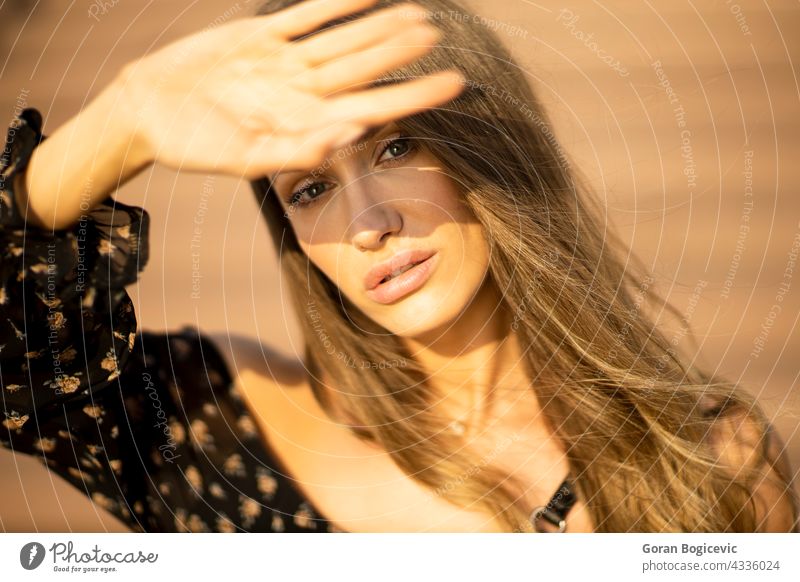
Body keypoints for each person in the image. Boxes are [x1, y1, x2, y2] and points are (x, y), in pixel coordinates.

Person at [1, 0, 797, 533]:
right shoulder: (209, 431)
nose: (369, 223)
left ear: (481, 143)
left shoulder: (708, 464)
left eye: (395, 147)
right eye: (310, 188)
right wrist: (126, 118)